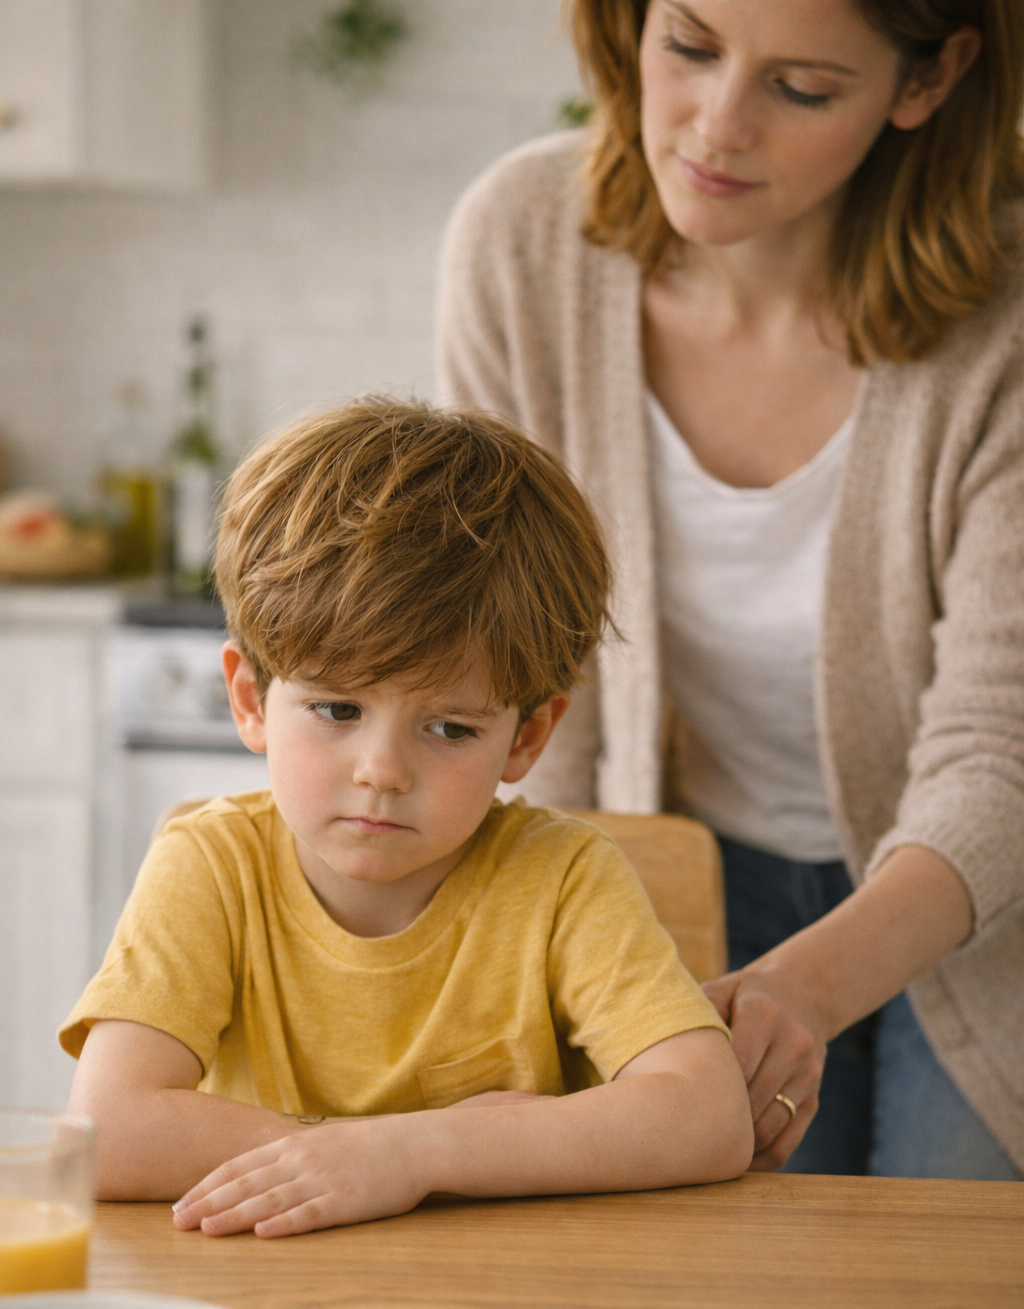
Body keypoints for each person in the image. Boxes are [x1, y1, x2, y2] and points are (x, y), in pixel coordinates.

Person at [437, 0, 1024, 1179]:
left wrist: (802, 987)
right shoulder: (524, 244)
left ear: (929, 78)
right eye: (689, 47)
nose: (714, 127)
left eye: (800, 89)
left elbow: (1000, 745)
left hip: (979, 913)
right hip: (677, 878)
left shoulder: (1004, 314)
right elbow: (509, 662)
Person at [61, 399, 752, 1238]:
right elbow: (109, 1131)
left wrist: (407, 1157)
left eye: (451, 728)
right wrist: (360, 1157)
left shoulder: (564, 879)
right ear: (250, 700)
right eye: (337, 709)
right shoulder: (211, 865)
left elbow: (708, 1115)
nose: (383, 772)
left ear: (527, 736)